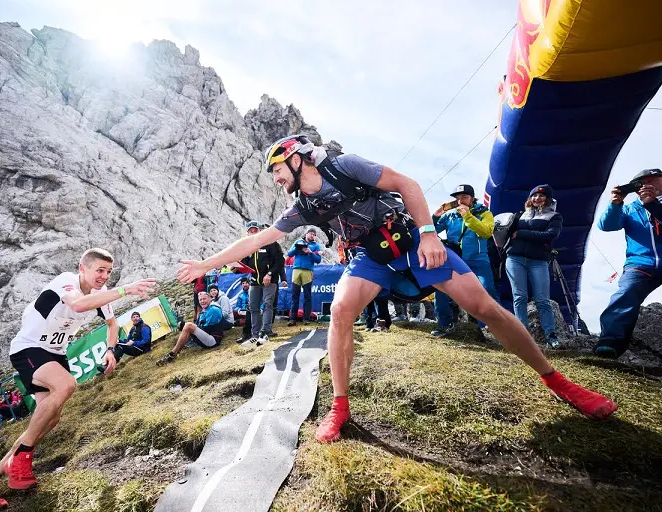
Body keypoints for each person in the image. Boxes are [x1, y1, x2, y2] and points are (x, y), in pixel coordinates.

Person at [177, 135, 616, 444]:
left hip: (409, 241)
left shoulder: (345, 166)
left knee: (485, 306)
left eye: (276, 169)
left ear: (296, 159)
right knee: (341, 311)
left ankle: (560, 383)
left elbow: (407, 184)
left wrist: (429, 235)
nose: (274, 179)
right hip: (369, 259)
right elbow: (256, 241)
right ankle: (340, 407)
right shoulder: (302, 206)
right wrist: (205, 264)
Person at [0, 248, 155, 511]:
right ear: (83, 268)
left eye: (109, 272)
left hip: (55, 353)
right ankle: (21, 458)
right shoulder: (65, 281)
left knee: (50, 418)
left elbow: (112, 326)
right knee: (66, 385)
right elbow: (77, 305)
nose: (104, 276)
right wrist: (126, 289)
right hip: (28, 349)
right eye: (99, 270)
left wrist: (111, 349)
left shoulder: (101, 295)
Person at [594, 168, 662, 358]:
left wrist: (654, 205)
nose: (649, 185)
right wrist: (615, 204)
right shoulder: (630, 208)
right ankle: (610, 343)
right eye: (643, 182)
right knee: (625, 293)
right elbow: (606, 225)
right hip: (640, 264)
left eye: (654, 180)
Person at [431, 184, 499, 339]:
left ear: (472, 198)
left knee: (487, 290)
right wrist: (435, 216)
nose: (460, 200)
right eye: (457, 198)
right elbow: (430, 230)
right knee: (440, 287)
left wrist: (468, 216)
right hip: (455, 259)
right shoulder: (450, 215)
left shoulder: (485, 213)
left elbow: (486, 232)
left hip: (478, 259)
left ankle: (496, 326)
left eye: (464, 197)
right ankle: (444, 324)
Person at [505, 185, 563, 348]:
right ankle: (522, 335)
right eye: (534, 195)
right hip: (515, 258)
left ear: (548, 199)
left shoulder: (554, 216)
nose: (537, 198)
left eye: (542, 195)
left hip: (538, 261)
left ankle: (551, 335)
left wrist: (521, 234)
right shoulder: (518, 215)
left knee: (542, 299)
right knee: (519, 297)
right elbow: (506, 233)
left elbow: (549, 236)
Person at [239, 220, 284, 344]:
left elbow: (280, 261)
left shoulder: (270, 243)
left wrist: (270, 274)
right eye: (250, 231)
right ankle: (254, 334)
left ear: (260, 230)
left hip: (270, 281)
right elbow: (245, 263)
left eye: (255, 230)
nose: (253, 232)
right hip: (254, 281)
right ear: (247, 233)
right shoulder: (248, 246)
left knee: (267, 304)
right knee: (253, 306)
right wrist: (237, 268)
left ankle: (265, 331)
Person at [157, 291, 225, 365]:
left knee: (189, 326)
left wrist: (192, 329)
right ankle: (178, 348)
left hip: (213, 341)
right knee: (182, 325)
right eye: (200, 300)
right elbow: (200, 326)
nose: (202, 301)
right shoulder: (206, 309)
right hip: (208, 337)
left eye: (204, 299)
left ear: (210, 299)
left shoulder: (213, 310)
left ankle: (173, 354)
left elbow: (207, 329)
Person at [287, 228, 323, 326]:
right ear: (306, 234)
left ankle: (306, 318)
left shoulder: (316, 245)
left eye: (314, 234)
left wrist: (310, 252)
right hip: (297, 270)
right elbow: (289, 254)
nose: (312, 235)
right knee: (295, 294)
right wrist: (298, 248)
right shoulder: (298, 241)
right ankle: (292, 319)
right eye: (311, 233)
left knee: (307, 295)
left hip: (308, 271)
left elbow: (318, 260)